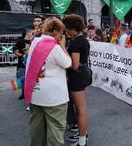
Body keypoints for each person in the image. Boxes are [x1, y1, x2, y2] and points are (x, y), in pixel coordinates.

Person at [25, 17, 71, 146]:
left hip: (35, 93)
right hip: (54, 97)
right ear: (56, 32)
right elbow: (68, 63)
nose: (62, 36)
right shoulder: (54, 47)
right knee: (55, 131)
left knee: (36, 130)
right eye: (61, 32)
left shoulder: (34, 42)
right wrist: (62, 46)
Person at [63, 14, 91, 146]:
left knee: (80, 109)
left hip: (77, 78)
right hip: (79, 77)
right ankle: (82, 134)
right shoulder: (80, 40)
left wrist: (63, 48)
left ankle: (82, 140)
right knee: (80, 108)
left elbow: (74, 65)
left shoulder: (78, 42)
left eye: (67, 28)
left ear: (73, 28)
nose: (65, 31)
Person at [13, 29, 31, 100]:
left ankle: (27, 94)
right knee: (21, 79)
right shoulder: (20, 41)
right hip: (21, 64)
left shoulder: (33, 41)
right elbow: (15, 52)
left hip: (31, 65)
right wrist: (23, 56)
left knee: (29, 80)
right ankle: (23, 93)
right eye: (32, 32)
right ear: (27, 33)